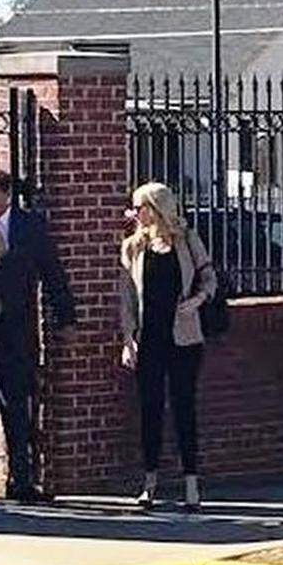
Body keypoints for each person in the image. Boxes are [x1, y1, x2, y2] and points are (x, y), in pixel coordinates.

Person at [0, 168, 76, 504]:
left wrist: (65, 316)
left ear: (7, 195)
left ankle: (21, 480)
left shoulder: (29, 227)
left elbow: (52, 271)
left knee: (18, 409)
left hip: (16, 331)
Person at [119, 183, 216, 511]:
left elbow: (209, 278)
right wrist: (128, 339)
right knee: (150, 410)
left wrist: (198, 300)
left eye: (139, 207)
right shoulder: (133, 247)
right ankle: (150, 482)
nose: (135, 213)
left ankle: (191, 483)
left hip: (184, 337)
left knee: (184, 407)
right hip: (150, 339)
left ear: (156, 208)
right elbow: (128, 299)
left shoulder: (187, 240)